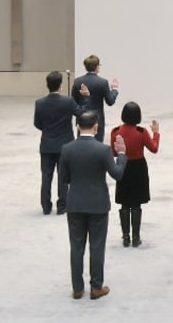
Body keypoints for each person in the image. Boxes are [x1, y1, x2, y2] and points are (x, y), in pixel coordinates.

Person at [59, 111, 127, 300]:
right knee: (97, 246)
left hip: (75, 203)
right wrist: (121, 154)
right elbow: (117, 174)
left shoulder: (67, 149)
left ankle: (77, 288)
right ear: (96, 126)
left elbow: (64, 179)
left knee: (76, 247)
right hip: (98, 204)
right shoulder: (103, 150)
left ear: (77, 126)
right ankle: (96, 287)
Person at [109, 102, 160, 247]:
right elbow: (154, 148)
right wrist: (156, 133)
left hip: (123, 166)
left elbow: (114, 152)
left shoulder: (115, 131)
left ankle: (125, 236)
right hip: (138, 168)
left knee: (124, 203)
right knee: (136, 203)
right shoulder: (141, 132)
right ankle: (136, 237)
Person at [34, 70, 84, 215]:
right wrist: (85, 99)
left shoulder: (39, 103)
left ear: (47, 85)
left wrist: (48, 129)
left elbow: (37, 123)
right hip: (65, 144)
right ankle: (62, 206)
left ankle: (46, 206)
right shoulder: (68, 102)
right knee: (63, 177)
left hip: (47, 144)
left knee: (46, 176)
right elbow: (81, 113)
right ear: (61, 86)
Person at [72, 54, 119, 143]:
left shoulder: (77, 81)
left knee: (82, 145)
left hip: (82, 119)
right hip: (97, 120)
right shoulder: (102, 82)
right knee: (97, 145)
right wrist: (114, 90)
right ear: (97, 66)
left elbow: (74, 102)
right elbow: (110, 101)